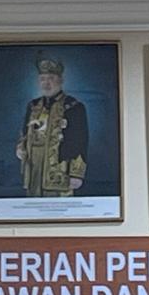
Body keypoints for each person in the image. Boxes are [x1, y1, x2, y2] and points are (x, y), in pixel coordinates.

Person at [17, 55, 91, 200]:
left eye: (51, 78)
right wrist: (21, 146)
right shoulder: (33, 106)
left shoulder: (73, 107)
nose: (46, 83)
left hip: (59, 169)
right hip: (34, 170)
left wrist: (76, 174)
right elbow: (24, 133)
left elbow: (80, 141)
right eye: (42, 79)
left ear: (61, 80)